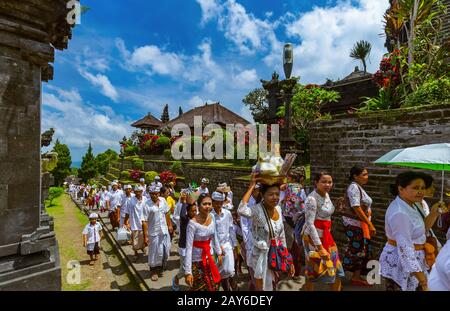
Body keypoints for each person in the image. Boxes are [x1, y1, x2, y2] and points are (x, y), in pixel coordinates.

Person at [379, 171, 444, 291]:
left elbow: (422, 229)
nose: (421, 191)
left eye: (423, 188)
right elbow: (405, 249)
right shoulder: (400, 212)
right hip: (401, 262)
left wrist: (434, 213)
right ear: (401, 189)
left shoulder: (414, 204)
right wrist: (423, 281)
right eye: (415, 188)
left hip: (416, 259)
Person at [238, 173, 295, 291]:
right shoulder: (257, 210)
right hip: (260, 256)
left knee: (272, 286)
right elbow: (241, 210)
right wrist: (251, 186)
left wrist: (287, 258)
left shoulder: (278, 208)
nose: (275, 197)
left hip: (275, 255)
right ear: (263, 195)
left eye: (277, 194)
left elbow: (282, 236)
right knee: (262, 288)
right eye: (271, 194)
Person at [302, 171, 344, 291]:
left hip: (327, 236)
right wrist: (319, 248)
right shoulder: (311, 199)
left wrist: (336, 206)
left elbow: (325, 214)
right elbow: (310, 224)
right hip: (313, 239)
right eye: (324, 182)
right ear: (316, 183)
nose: (327, 185)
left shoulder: (326, 195)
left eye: (330, 182)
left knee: (336, 267)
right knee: (313, 270)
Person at [341, 166, 376, 286]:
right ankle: (338, 275)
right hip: (354, 225)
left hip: (360, 225)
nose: (367, 177)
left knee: (361, 250)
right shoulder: (353, 188)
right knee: (354, 251)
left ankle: (356, 276)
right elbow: (356, 207)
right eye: (364, 174)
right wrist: (369, 224)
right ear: (355, 176)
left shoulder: (358, 188)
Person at [184, 193, 223, 291]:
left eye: (209, 204)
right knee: (200, 287)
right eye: (204, 204)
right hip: (196, 260)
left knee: (214, 285)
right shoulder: (192, 223)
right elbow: (188, 248)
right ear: (198, 205)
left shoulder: (212, 217)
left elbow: (214, 236)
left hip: (209, 257)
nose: (207, 207)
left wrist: (219, 252)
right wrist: (188, 272)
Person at [281, 167, 307, 279]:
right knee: (298, 244)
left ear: (291, 178)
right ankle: (297, 270)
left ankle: (290, 268)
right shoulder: (301, 188)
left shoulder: (287, 186)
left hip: (288, 218)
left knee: (289, 244)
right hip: (300, 217)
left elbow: (280, 186)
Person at [142, 186, 172, 282]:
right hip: (153, 232)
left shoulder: (163, 200)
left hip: (164, 230)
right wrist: (145, 236)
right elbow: (144, 221)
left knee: (166, 249)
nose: (154, 195)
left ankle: (161, 265)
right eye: (152, 194)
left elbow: (167, 213)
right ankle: (154, 270)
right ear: (149, 194)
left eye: (156, 193)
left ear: (159, 193)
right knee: (154, 252)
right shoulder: (146, 205)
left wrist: (170, 225)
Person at [211, 191, 238, 291]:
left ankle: (235, 287)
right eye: (216, 202)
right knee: (221, 272)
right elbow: (212, 234)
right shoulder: (210, 215)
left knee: (230, 270)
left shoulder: (227, 214)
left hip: (227, 245)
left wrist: (235, 245)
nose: (218, 205)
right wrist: (218, 248)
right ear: (213, 202)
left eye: (221, 202)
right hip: (215, 247)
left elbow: (231, 229)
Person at [172, 199, 197, 291]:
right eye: (192, 211)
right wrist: (184, 201)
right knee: (184, 269)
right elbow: (182, 213)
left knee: (194, 269)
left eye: (195, 210)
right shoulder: (184, 219)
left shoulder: (197, 220)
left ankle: (192, 287)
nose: (195, 212)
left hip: (194, 248)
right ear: (187, 211)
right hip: (184, 248)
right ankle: (176, 278)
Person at [241, 183, 261, 290]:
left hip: (260, 238)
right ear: (253, 191)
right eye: (257, 190)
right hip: (250, 237)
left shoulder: (261, 202)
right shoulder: (248, 203)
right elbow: (244, 223)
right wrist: (247, 239)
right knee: (253, 268)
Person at [124, 186, 147, 261]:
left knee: (144, 236)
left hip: (144, 222)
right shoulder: (131, 201)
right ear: (134, 192)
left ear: (142, 192)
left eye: (139, 191)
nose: (138, 193)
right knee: (134, 239)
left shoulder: (145, 199)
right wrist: (125, 222)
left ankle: (142, 247)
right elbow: (127, 212)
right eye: (136, 192)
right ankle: (135, 253)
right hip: (134, 222)